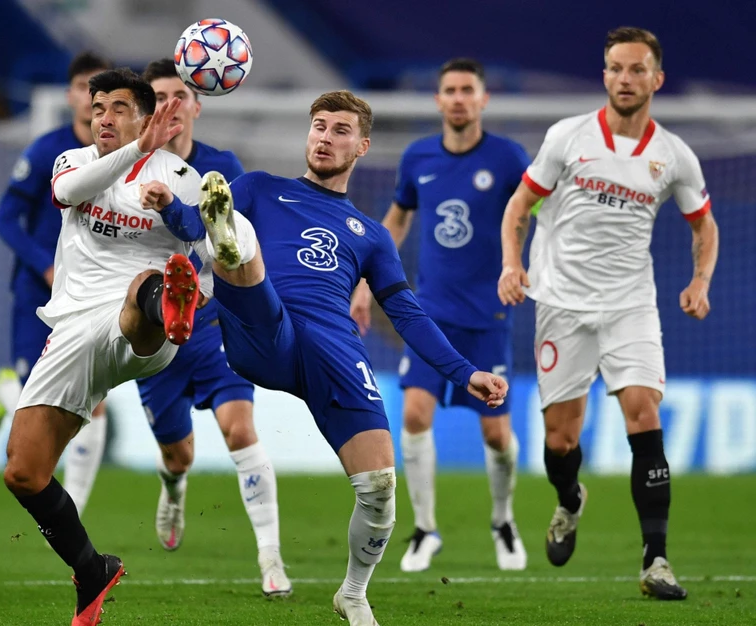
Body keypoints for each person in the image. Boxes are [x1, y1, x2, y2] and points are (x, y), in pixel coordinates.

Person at [140, 90, 508, 626]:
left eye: (340, 130)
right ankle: (233, 241)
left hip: (333, 349)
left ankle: (353, 593)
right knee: (235, 243)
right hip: (262, 329)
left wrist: (464, 370)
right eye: (318, 126)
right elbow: (192, 229)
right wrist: (172, 207)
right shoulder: (261, 188)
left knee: (380, 487)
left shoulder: (373, 235)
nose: (325, 137)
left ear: (361, 145)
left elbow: (406, 313)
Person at [498, 27, 719, 600]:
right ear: (605, 75)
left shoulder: (674, 155)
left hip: (630, 306)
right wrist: (510, 264)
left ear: (657, 79)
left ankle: (657, 560)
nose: (626, 78)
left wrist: (700, 280)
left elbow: (705, 225)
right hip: (563, 305)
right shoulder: (567, 137)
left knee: (644, 418)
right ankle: (570, 501)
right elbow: (520, 204)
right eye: (616, 68)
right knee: (561, 437)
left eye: (637, 69)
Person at [2, 67, 208, 626]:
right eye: (98, 109)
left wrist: (194, 293)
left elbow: (207, 265)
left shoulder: (184, 179)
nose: (104, 118)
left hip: (144, 327)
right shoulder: (74, 162)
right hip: (72, 330)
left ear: (145, 114)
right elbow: (66, 194)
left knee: (144, 285)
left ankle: (167, 302)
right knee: (23, 471)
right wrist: (138, 147)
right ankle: (92, 569)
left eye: (118, 107)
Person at [350, 58, 530, 572]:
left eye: (466, 90)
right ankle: (425, 529)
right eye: (449, 90)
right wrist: (366, 278)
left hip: (488, 318)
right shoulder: (418, 157)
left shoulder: (508, 158)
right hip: (430, 316)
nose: (457, 98)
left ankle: (503, 520)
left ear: (482, 99)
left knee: (496, 434)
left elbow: (529, 212)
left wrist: (517, 264)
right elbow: (398, 217)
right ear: (438, 100)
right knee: (413, 415)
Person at [138, 58, 290, 596]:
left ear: (199, 103)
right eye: (157, 97)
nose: (169, 106)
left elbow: (241, 240)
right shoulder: (126, 169)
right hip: (151, 333)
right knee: (178, 453)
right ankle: (173, 486)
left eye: (179, 95)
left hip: (211, 323)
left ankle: (271, 559)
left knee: (239, 430)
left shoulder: (221, 168)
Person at [0, 52, 110, 519]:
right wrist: (44, 265)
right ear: (71, 95)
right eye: (82, 86)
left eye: (100, 88)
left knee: (92, 404)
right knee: (32, 395)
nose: (91, 96)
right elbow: (5, 219)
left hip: (90, 298)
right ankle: (6, 387)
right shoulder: (45, 152)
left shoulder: (119, 159)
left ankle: (75, 508)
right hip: (40, 293)